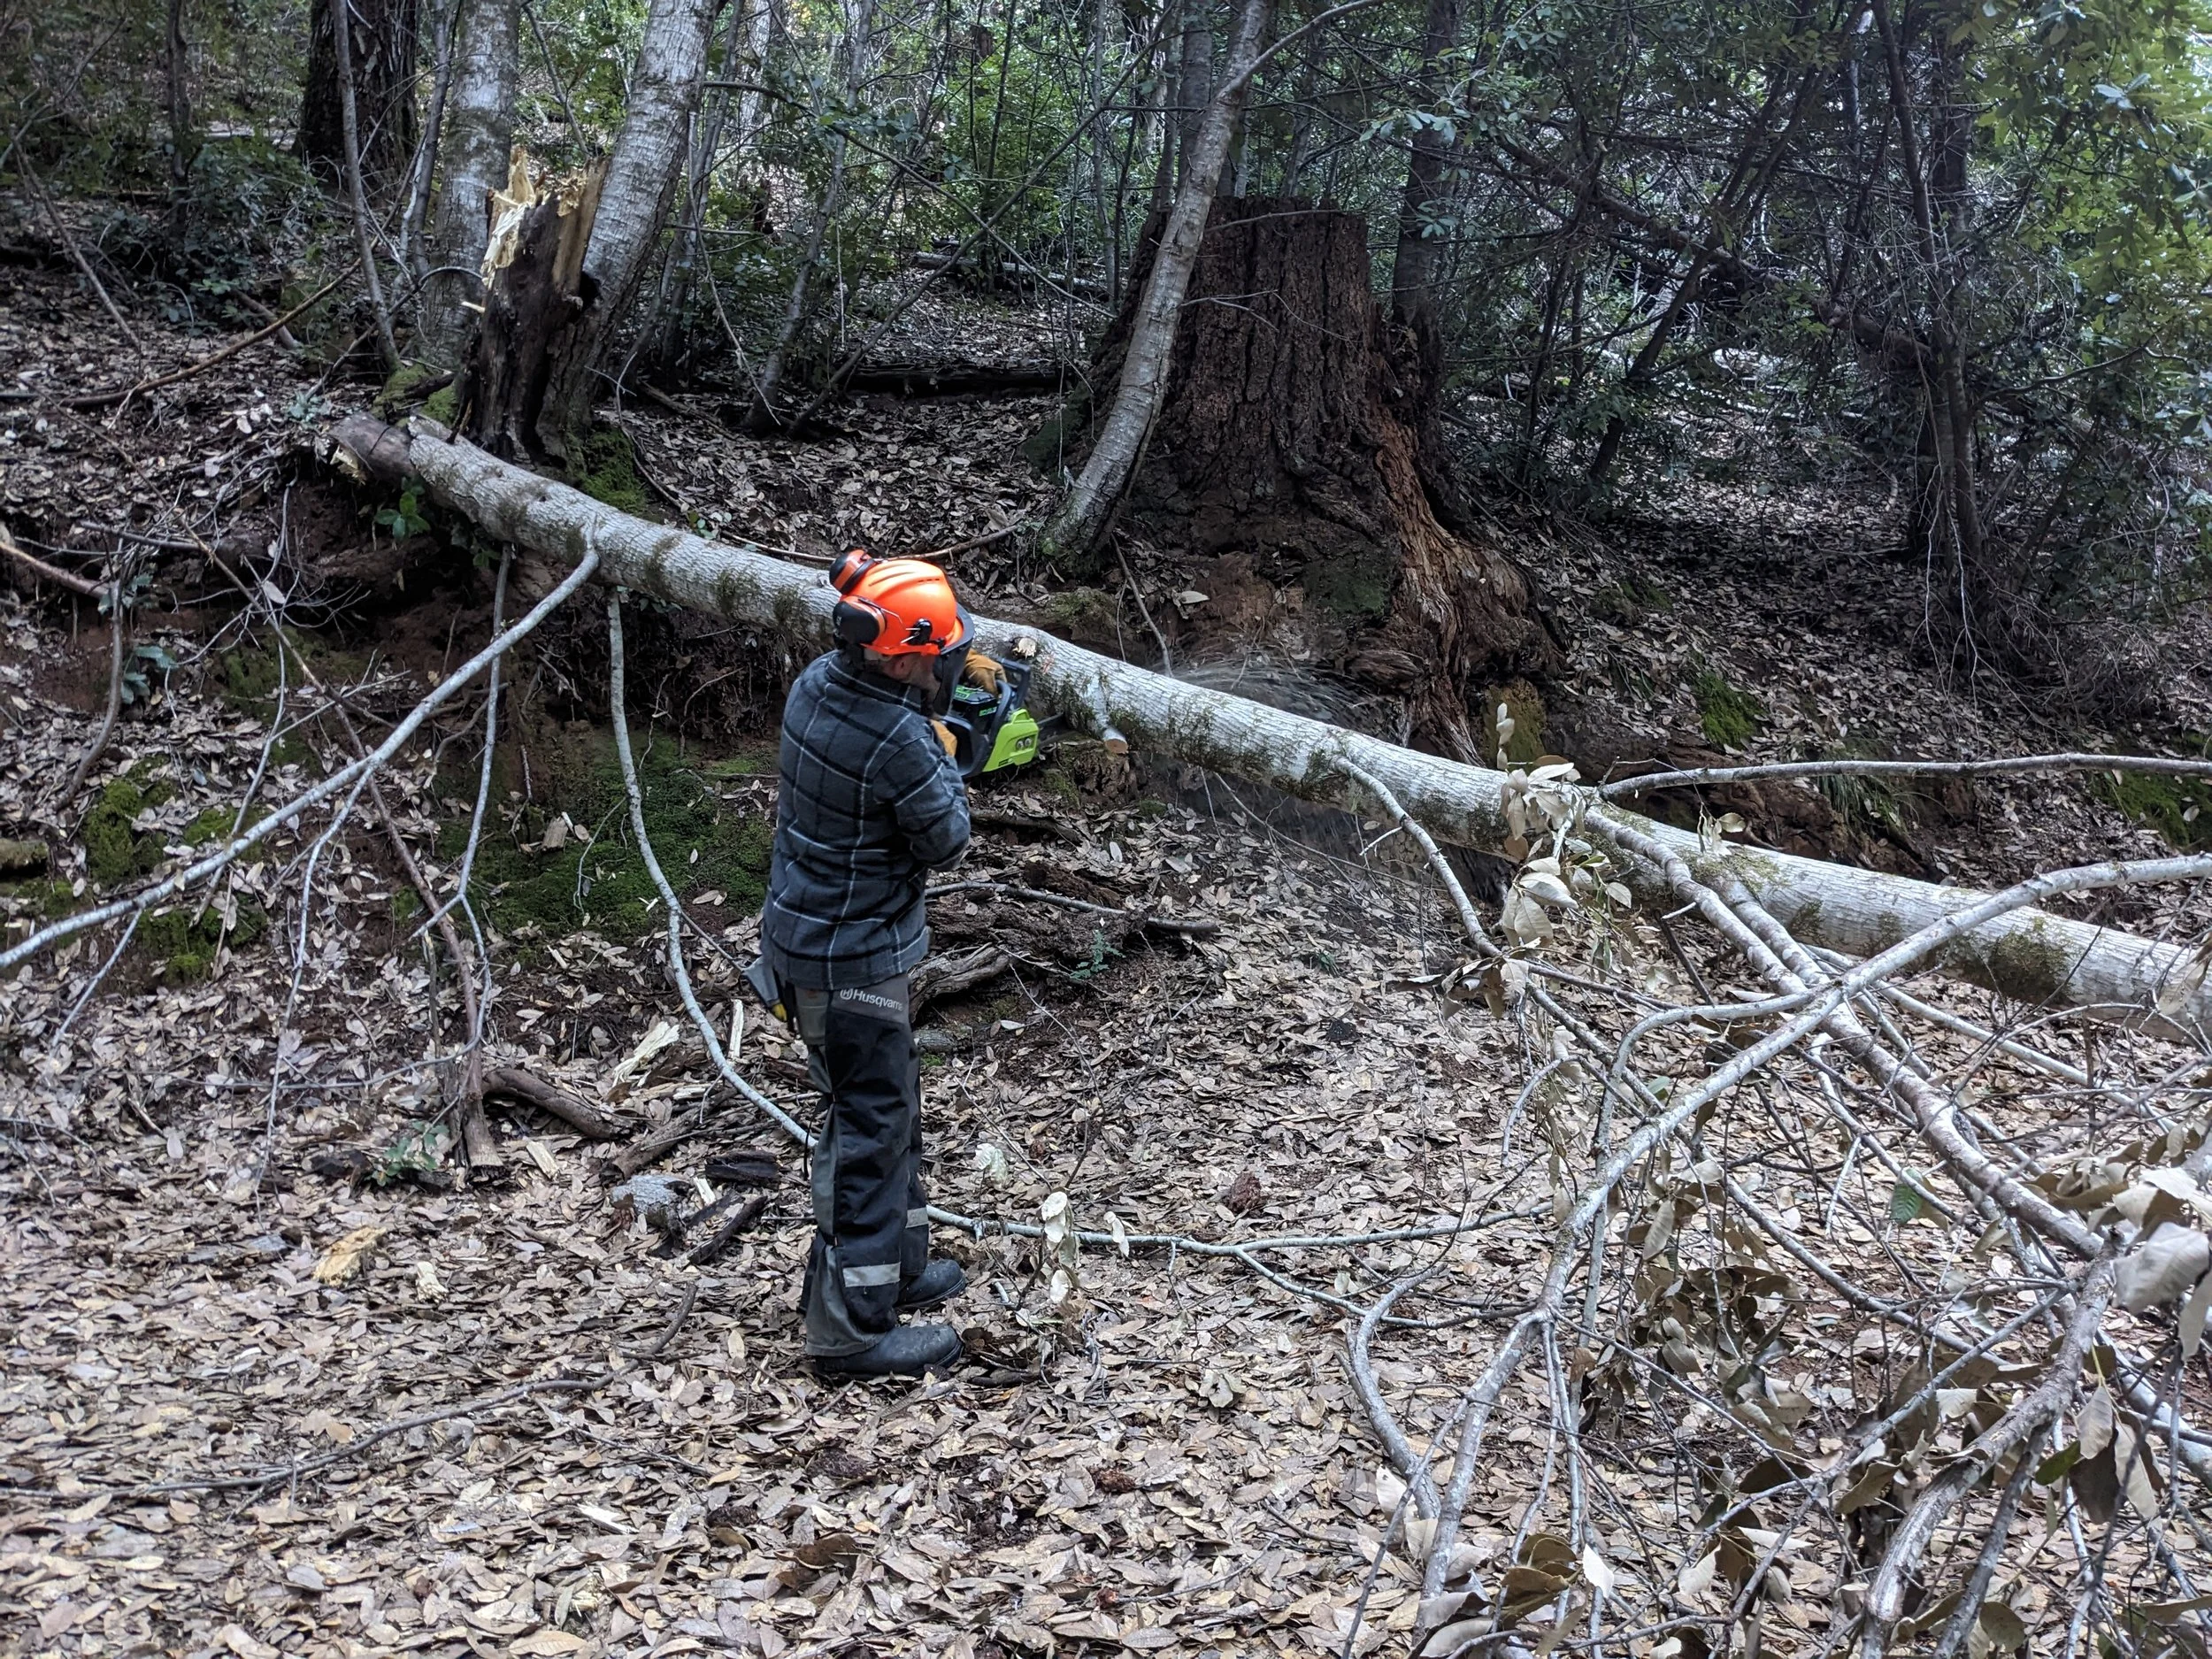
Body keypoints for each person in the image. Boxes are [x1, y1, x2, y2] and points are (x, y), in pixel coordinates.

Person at [755, 550, 995, 1378]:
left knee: (888, 1110)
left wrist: (932, 738)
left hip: (808, 941)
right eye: (938, 655)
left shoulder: (817, 683)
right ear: (899, 657)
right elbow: (948, 839)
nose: (948, 665)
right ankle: (851, 1332)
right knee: (867, 1132)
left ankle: (896, 1265)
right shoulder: (899, 738)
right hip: (850, 961)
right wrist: (950, 754)